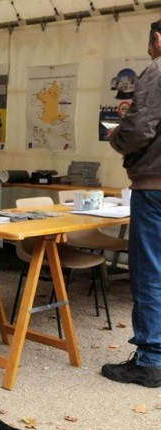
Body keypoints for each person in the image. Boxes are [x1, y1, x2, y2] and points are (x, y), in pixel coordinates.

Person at [102, 20, 161, 388]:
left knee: (150, 272)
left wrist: (116, 138)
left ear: (157, 39)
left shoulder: (157, 68)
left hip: (154, 186)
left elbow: (139, 129)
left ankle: (151, 359)